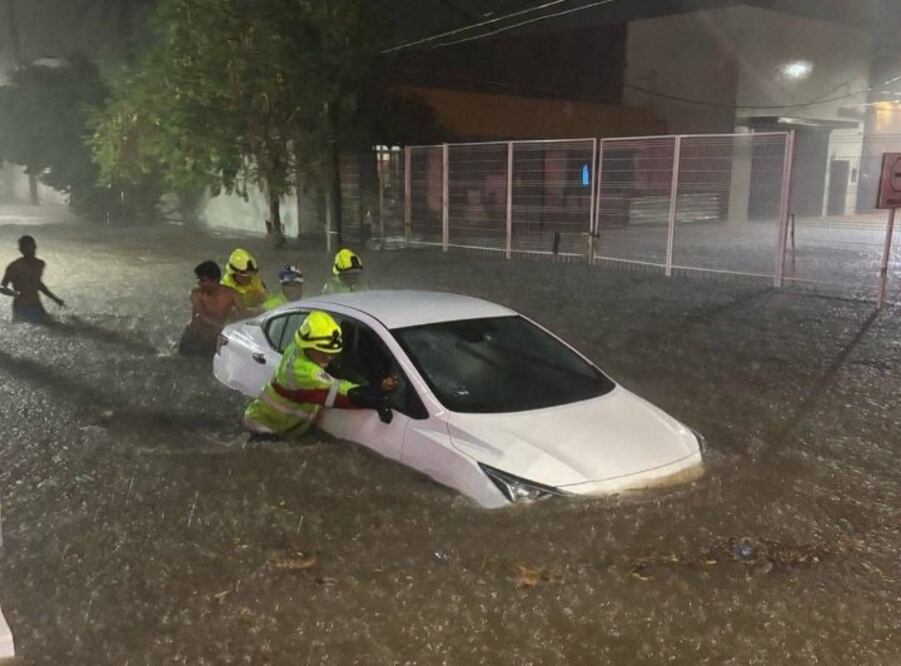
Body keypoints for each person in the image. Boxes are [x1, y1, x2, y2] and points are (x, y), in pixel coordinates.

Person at [243, 310, 397, 439]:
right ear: (307, 346)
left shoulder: (299, 346)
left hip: (281, 425)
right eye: (323, 352)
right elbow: (342, 392)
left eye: (332, 353)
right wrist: (376, 395)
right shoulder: (302, 370)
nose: (328, 357)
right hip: (265, 428)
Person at [178, 260, 245, 357]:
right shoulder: (196, 294)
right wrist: (224, 328)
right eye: (199, 280)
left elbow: (245, 314)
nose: (199, 284)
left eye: (203, 280)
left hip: (213, 341)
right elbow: (201, 316)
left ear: (215, 280)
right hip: (192, 339)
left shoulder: (231, 294)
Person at [1, 235, 64, 324]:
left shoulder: (39, 264)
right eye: (26, 249)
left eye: (32, 247)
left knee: (53, 328)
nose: (30, 251)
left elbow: (38, 284)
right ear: (21, 250)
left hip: (36, 304)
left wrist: (55, 299)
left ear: (35, 247)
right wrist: (13, 293)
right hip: (21, 306)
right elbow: (2, 286)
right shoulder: (14, 266)